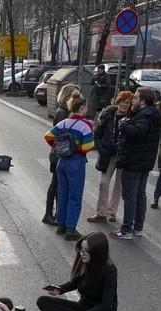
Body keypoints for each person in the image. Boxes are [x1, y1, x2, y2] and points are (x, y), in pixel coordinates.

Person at [37, 231, 117, 311]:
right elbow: (74, 283)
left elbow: (105, 305)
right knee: (43, 301)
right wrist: (60, 289)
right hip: (82, 308)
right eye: (81, 250)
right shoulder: (84, 262)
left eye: (86, 251)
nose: (82, 254)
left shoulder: (109, 270)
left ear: (97, 252)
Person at [110, 87, 161, 240]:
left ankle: (126, 230)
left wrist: (124, 124)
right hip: (144, 161)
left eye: (136, 98)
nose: (133, 101)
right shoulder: (151, 114)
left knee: (130, 196)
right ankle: (138, 227)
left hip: (134, 161)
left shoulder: (145, 115)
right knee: (140, 195)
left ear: (143, 101)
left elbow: (138, 132)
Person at [44, 94, 95, 241]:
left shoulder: (64, 122)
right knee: (75, 196)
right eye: (86, 106)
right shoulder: (86, 125)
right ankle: (71, 229)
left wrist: (59, 147)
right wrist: (77, 148)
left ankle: (61, 225)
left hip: (62, 161)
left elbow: (48, 136)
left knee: (63, 193)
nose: (87, 109)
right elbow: (88, 146)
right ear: (81, 107)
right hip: (76, 162)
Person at [87, 91, 130, 224]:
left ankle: (111, 212)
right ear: (117, 102)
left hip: (123, 155)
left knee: (119, 184)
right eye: (123, 101)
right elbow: (97, 134)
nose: (125, 105)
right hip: (109, 154)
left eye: (128, 102)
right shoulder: (107, 116)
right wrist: (102, 147)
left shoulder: (132, 117)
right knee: (104, 183)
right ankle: (101, 213)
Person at [47, 86, 81, 224]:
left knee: (58, 185)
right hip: (60, 154)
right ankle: (49, 214)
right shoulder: (62, 113)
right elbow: (60, 136)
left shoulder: (64, 111)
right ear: (68, 97)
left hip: (60, 153)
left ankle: (55, 215)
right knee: (55, 185)